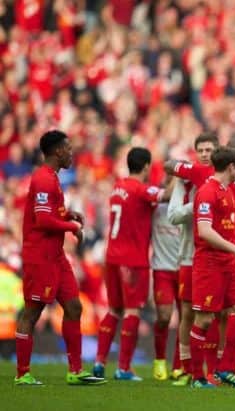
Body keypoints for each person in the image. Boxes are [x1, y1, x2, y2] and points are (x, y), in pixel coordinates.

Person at [16, 130, 105, 386]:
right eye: (67, 148)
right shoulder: (43, 179)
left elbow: (51, 213)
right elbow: (43, 220)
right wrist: (72, 228)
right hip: (40, 257)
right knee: (32, 314)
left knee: (74, 307)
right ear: (56, 151)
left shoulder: (53, 178)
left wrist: (68, 215)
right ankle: (22, 374)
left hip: (56, 256)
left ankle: (75, 371)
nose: (71, 153)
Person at [93, 147, 168, 381]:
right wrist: (178, 173)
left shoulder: (118, 187)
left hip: (111, 257)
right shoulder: (140, 190)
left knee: (114, 310)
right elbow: (164, 195)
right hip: (132, 260)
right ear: (146, 166)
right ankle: (124, 368)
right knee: (132, 310)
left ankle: (99, 361)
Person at [187, 146, 235, 389]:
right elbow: (205, 232)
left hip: (229, 263)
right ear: (230, 167)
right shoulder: (207, 192)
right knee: (204, 321)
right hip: (209, 264)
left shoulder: (229, 190)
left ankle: (226, 368)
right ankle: (197, 377)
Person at [165, 133, 216, 385]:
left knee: (214, 314)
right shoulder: (185, 182)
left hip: (217, 257)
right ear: (196, 153)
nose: (206, 154)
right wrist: (197, 205)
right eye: (202, 150)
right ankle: (186, 369)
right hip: (188, 256)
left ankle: (213, 368)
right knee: (187, 313)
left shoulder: (223, 180)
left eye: (209, 149)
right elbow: (172, 216)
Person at [150, 189, 182, 380]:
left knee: (186, 318)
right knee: (164, 317)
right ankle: (159, 360)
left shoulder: (187, 208)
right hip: (162, 269)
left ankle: (179, 365)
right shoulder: (156, 208)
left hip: (184, 268)